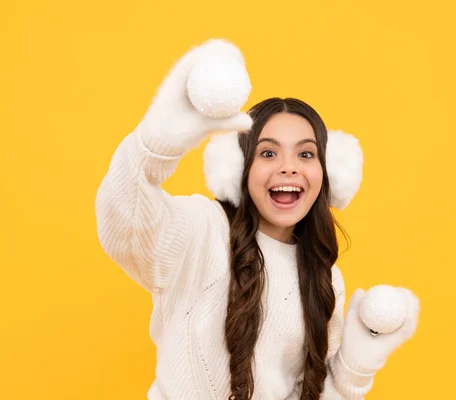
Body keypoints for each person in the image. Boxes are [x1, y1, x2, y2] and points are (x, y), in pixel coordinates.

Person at [95, 39, 419, 400]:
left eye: (306, 154)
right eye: (268, 152)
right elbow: (123, 226)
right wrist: (154, 147)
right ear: (239, 169)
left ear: (328, 174)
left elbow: (306, 393)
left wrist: (353, 374)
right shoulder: (202, 229)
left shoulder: (324, 277)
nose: (288, 166)